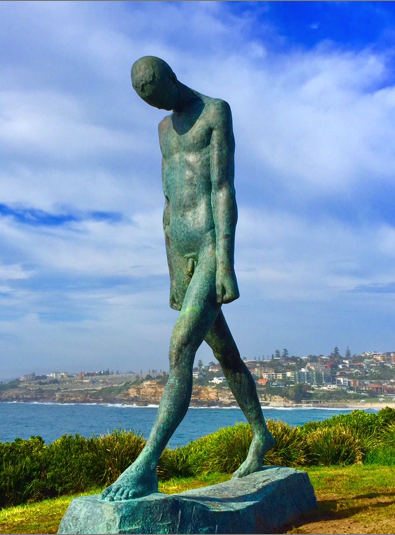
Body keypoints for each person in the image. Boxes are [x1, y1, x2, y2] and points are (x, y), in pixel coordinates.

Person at [100, 56, 274, 502]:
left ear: (171, 77)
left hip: (213, 249)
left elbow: (222, 188)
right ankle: (261, 434)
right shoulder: (162, 132)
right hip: (183, 255)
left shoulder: (216, 111)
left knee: (180, 348)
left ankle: (145, 465)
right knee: (227, 355)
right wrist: (173, 270)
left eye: (156, 94)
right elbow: (167, 204)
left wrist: (227, 265)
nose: (155, 107)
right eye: (146, 101)